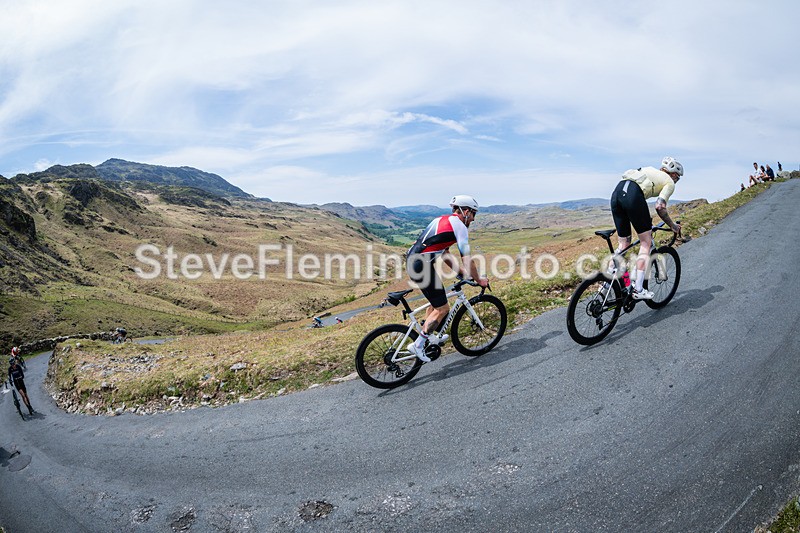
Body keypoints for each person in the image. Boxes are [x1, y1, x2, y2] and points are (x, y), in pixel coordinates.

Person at [405, 195, 488, 362]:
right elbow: (467, 258)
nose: (473, 219)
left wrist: (461, 273)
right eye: (473, 214)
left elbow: (445, 253)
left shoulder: (442, 220)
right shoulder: (460, 227)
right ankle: (418, 344)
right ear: (466, 211)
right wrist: (479, 280)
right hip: (421, 266)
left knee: (436, 303)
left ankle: (429, 335)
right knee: (442, 309)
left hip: (415, 262)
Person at [609, 157, 683, 300]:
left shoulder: (649, 170)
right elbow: (660, 207)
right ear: (673, 174)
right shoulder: (669, 182)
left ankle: (607, 281)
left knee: (624, 244)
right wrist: (673, 226)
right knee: (646, 242)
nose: (676, 181)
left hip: (617, 193)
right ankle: (638, 288)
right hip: (633, 195)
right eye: (677, 178)